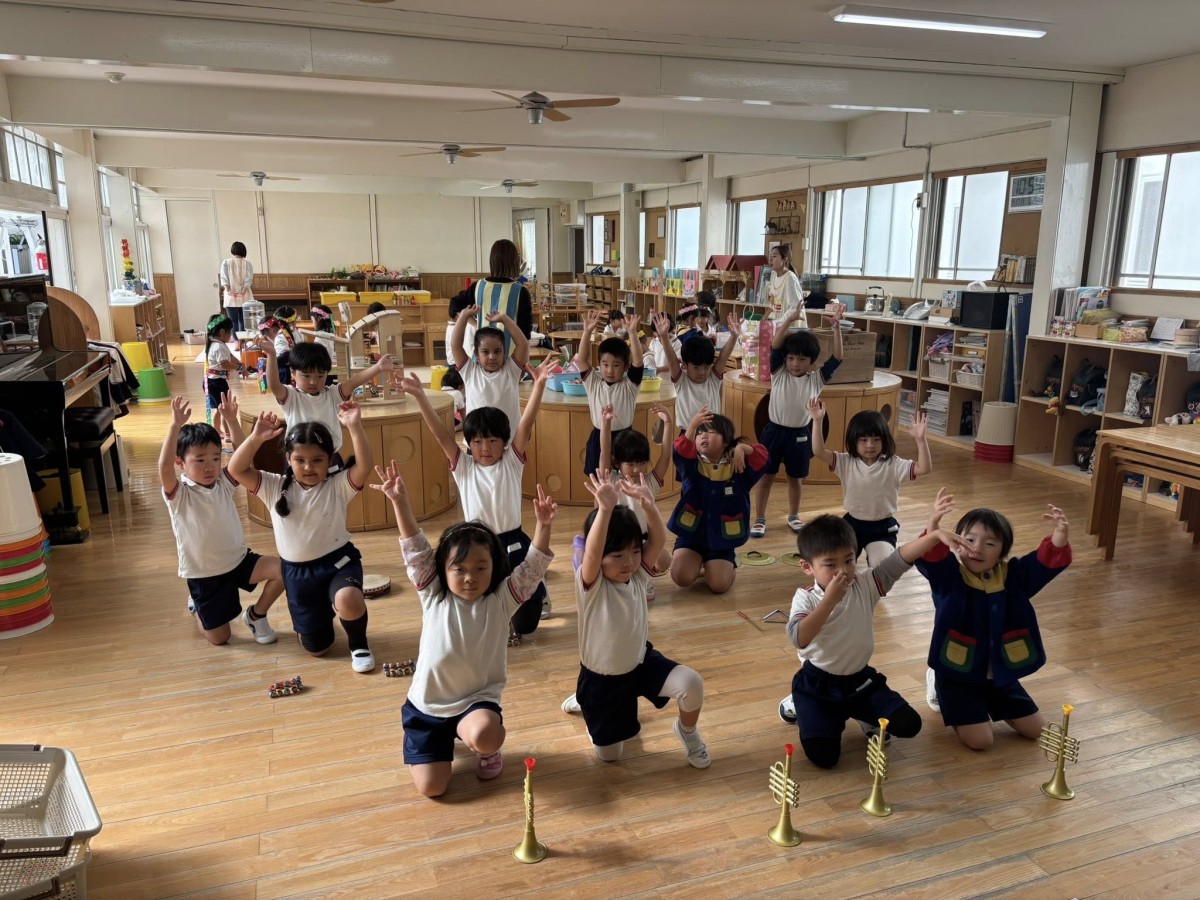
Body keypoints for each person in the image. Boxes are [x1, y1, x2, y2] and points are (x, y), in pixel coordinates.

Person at [375, 461, 556, 797]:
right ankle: (437, 742)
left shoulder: (502, 599)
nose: (470, 577)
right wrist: (399, 502)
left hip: (476, 703)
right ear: (443, 570)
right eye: (459, 569)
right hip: (428, 708)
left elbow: (532, 569)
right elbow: (415, 549)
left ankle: (485, 749)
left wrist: (543, 526)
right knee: (432, 790)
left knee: (487, 733)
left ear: (494, 567)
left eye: (480, 568)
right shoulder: (433, 593)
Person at [779, 514, 966, 768]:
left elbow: (899, 559)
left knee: (909, 724)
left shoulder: (864, 584)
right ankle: (799, 702)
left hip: (859, 681)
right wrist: (830, 600)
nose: (843, 570)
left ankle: (861, 712)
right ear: (807, 567)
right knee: (824, 757)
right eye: (830, 564)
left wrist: (932, 537)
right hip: (817, 685)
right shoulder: (806, 597)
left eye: (849, 560)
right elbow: (799, 638)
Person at [560, 473, 711, 769]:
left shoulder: (638, 574)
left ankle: (687, 732)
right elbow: (592, 553)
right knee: (610, 755)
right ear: (598, 557)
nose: (628, 561)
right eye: (617, 555)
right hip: (602, 681)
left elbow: (658, 539)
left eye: (634, 551)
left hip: (640, 663)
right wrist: (605, 510)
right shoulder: (591, 585)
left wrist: (649, 506)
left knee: (691, 683)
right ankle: (586, 700)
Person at [395, 357, 555, 634]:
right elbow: (440, 434)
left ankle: (539, 591)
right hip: (478, 542)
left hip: (513, 540)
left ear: (505, 443)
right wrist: (420, 396)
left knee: (526, 626)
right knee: (481, 601)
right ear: (468, 443)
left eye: (492, 441)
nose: (485, 448)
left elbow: (526, 424)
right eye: (478, 442)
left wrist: (539, 384)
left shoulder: (511, 462)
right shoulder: (464, 466)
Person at [916, 490, 1073, 751]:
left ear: (1002, 552)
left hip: (998, 674)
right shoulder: (949, 576)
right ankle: (937, 682)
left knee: (1036, 731)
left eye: (990, 544)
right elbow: (931, 555)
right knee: (981, 741)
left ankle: (986, 703)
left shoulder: (1013, 576)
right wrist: (934, 525)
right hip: (958, 674)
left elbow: (1043, 563)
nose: (977, 548)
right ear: (955, 542)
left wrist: (1059, 535)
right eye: (969, 539)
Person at [229, 404, 377, 672]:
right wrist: (256, 438)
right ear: (288, 459)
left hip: (338, 563)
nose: (309, 467)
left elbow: (365, 465)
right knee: (318, 649)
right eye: (300, 460)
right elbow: (236, 469)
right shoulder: (274, 487)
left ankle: (359, 644)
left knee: (348, 600)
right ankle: (321, 615)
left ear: (329, 460)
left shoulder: (337, 486)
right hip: (298, 575)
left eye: (318, 460)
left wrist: (355, 426)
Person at [159, 393, 283, 647]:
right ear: (180, 462)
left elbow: (242, 460)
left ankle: (256, 615)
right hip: (205, 574)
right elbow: (164, 468)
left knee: (285, 570)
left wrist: (232, 421)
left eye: (216, 458)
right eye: (200, 460)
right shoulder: (180, 494)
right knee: (220, 638)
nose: (210, 467)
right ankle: (197, 608)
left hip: (238, 561)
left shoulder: (222, 484)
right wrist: (174, 426)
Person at [751, 304, 843, 538]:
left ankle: (793, 515)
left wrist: (836, 328)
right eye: (791, 358)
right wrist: (790, 319)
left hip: (800, 434)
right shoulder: (778, 372)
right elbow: (775, 345)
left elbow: (838, 357)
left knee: (796, 478)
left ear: (811, 361)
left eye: (801, 359)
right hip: (773, 432)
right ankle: (759, 518)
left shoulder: (816, 379)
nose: (795, 363)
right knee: (766, 477)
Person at [808, 401, 932, 567]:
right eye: (863, 440)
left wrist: (921, 440)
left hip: (882, 528)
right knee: (836, 564)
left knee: (881, 567)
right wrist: (817, 421)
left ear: (884, 440)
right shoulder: (846, 462)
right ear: (854, 441)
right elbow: (818, 451)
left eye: (876, 439)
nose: (870, 445)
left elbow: (924, 468)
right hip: (852, 525)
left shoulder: (893, 464)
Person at [668, 406, 768, 594]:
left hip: (722, 539)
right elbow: (680, 450)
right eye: (700, 433)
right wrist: (691, 426)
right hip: (691, 535)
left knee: (719, 586)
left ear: (726, 441)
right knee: (681, 578)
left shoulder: (738, 466)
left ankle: (721, 566)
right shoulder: (691, 465)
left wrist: (742, 448)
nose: (703, 436)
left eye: (711, 432)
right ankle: (701, 563)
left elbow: (763, 457)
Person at [256, 339, 394, 462]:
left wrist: (378, 367)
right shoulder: (292, 397)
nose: (313, 381)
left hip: (330, 459)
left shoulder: (332, 394)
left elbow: (354, 382)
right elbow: (274, 385)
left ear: (327, 374)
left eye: (320, 376)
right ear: (292, 373)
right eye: (306, 376)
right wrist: (271, 354)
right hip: (299, 460)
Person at [596, 401, 674, 591]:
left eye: (642, 463)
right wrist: (605, 423)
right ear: (617, 463)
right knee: (618, 562)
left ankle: (642, 579)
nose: (637, 469)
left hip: (641, 540)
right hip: (615, 540)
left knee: (664, 561)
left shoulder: (649, 482)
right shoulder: (611, 479)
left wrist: (668, 423)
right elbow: (604, 452)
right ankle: (621, 577)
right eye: (630, 464)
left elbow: (665, 456)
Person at [576, 309, 645, 476]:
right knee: (599, 480)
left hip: (625, 439)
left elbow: (638, 362)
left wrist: (632, 333)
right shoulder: (593, 383)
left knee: (625, 479)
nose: (609, 370)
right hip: (598, 438)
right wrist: (587, 332)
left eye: (616, 365)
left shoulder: (630, 385)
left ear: (626, 366)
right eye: (605, 364)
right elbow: (582, 360)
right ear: (599, 364)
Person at [654, 311, 739, 434]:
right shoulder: (681, 381)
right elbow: (672, 359)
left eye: (706, 367)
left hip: (712, 434)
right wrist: (664, 336)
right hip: (687, 434)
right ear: (684, 365)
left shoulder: (713, 379)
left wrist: (734, 336)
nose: (702, 372)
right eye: (696, 367)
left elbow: (723, 357)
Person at [450, 303, 529, 432]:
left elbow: (523, 344)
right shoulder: (470, 372)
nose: (492, 357)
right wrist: (463, 316)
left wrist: (505, 319)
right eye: (485, 352)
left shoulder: (511, 370)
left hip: (510, 440)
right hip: (477, 439)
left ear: (504, 352)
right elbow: (455, 346)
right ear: (476, 354)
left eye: (497, 351)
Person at [471, 239, 534, 354]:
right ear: (514, 262)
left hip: (483, 355)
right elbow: (525, 331)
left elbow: (455, 307)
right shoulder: (521, 291)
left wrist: (476, 324)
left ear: (492, 261)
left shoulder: (478, 286)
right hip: (511, 355)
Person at [203, 313, 240, 439]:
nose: (231, 336)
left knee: (218, 408)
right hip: (217, 383)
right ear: (223, 332)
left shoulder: (215, 343)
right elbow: (224, 363)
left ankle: (217, 430)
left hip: (211, 381)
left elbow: (231, 357)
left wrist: (241, 365)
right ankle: (228, 434)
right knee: (225, 408)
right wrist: (238, 368)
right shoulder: (219, 346)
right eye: (230, 332)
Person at [764, 243, 807, 326]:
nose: (770, 259)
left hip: (791, 328)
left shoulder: (790, 278)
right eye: (770, 256)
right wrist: (762, 321)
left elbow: (795, 308)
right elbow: (772, 303)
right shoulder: (773, 275)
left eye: (774, 256)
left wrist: (780, 321)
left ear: (785, 260)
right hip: (778, 325)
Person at [219, 241, 254, 333]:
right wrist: (242, 292)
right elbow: (249, 279)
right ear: (244, 251)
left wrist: (228, 290)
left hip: (230, 296)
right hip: (245, 296)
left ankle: (235, 340)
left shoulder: (226, 262)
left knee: (233, 321)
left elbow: (224, 277)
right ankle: (243, 340)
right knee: (244, 321)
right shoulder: (248, 264)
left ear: (232, 250)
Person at [444, 291, 477, 366]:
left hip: (456, 363)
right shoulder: (469, 325)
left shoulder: (451, 325)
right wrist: (474, 323)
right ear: (459, 314)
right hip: (459, 364)